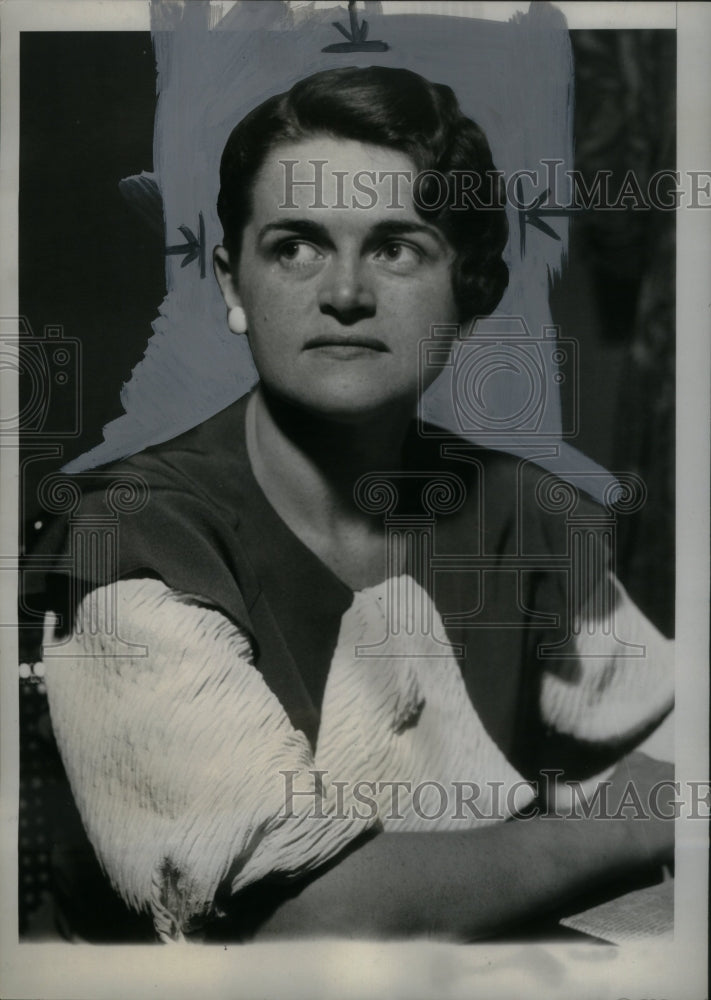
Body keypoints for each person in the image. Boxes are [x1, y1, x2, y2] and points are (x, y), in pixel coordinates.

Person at [34, 66, 674, 944]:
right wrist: (628, 822)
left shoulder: (522, 509)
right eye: (294, 245)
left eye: (396, 247)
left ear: (473, 289)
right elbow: (308, 927)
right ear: (230, 283)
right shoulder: (134, 530)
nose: (343, 294)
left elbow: (673, 735)